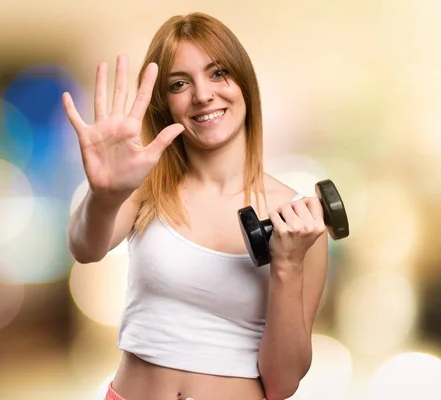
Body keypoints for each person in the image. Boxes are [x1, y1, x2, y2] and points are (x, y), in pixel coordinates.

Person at [63, 12, 328, 400]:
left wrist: (286, 266)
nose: (202, 94)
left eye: (218, 73)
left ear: (245, 84)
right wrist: (103, 195)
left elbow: (282, 383)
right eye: (179, 83)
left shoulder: (297, 222)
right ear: (164, 104)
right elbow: (85, 248)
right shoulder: (148, 188)